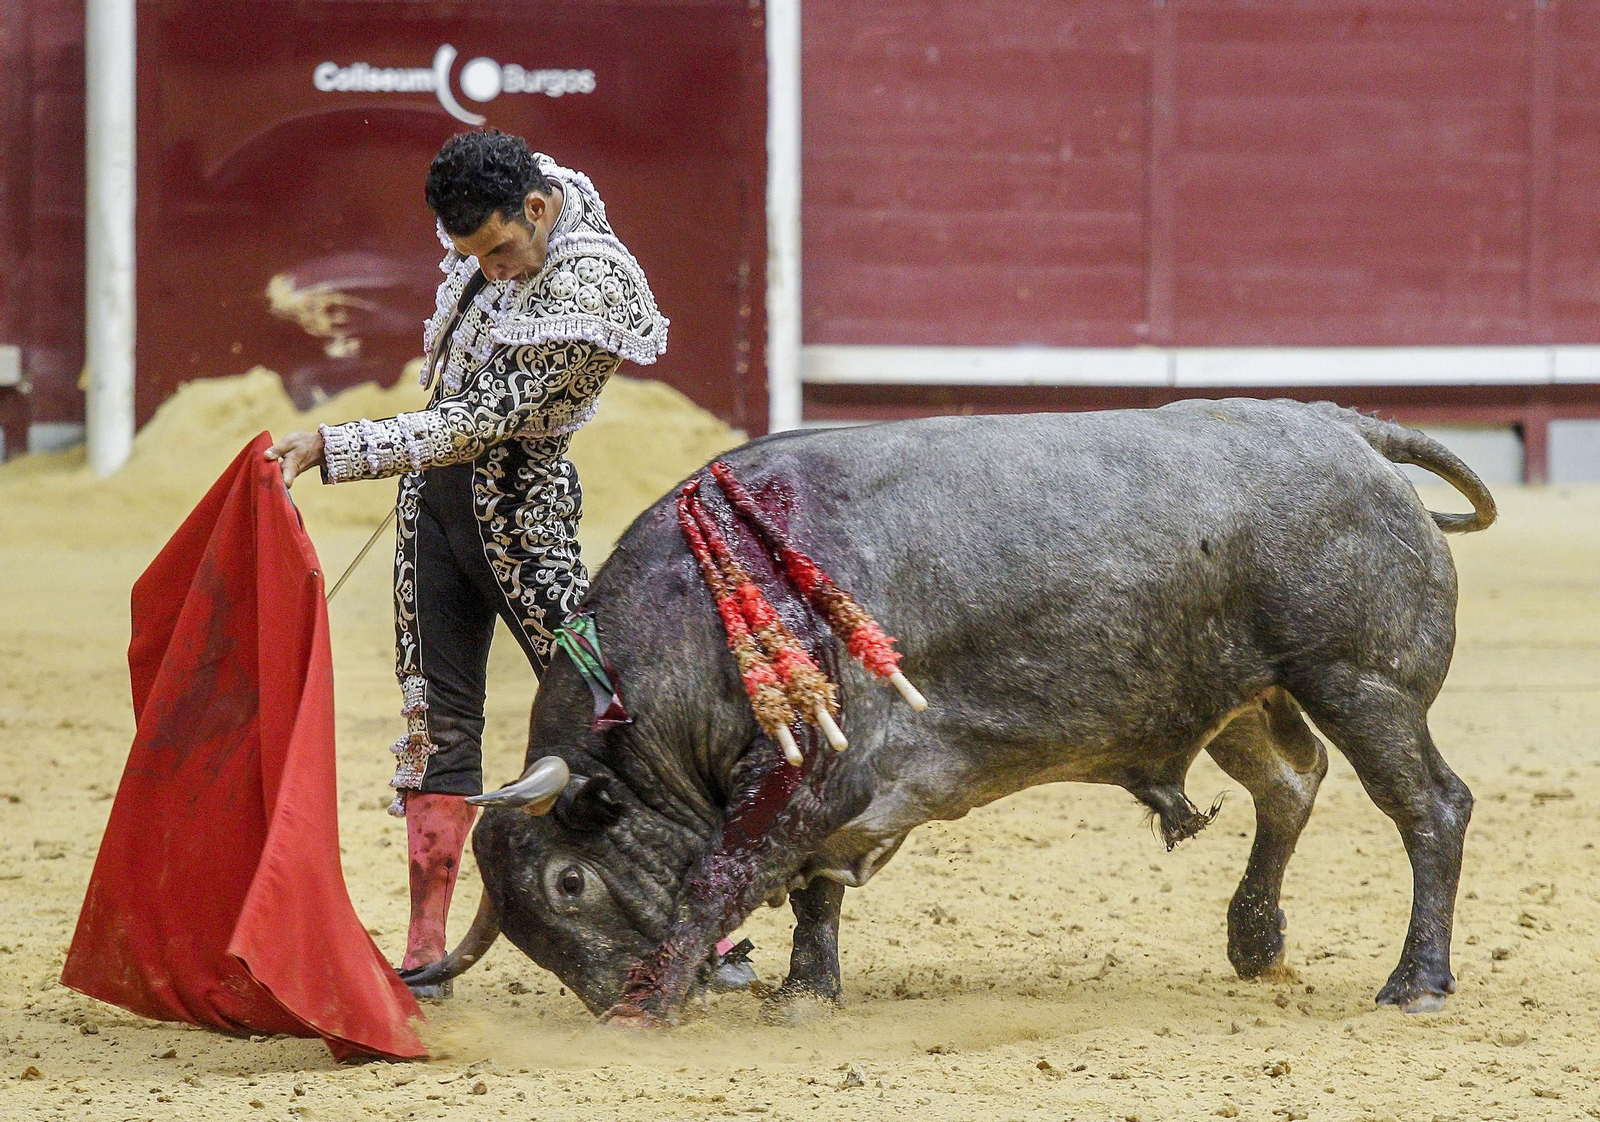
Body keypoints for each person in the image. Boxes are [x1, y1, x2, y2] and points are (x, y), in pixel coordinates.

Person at [266, 129, 668, 996]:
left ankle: (690, 931)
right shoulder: (509, 220)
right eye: (468, 255)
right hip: (431, 511)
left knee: (606, 710)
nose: (488, 270)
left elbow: (477, 421)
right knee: (435, 722)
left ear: (536, 210)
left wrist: (338, 447)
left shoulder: (592, 283)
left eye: (499, 249)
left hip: (522, 516)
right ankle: (423, 951)